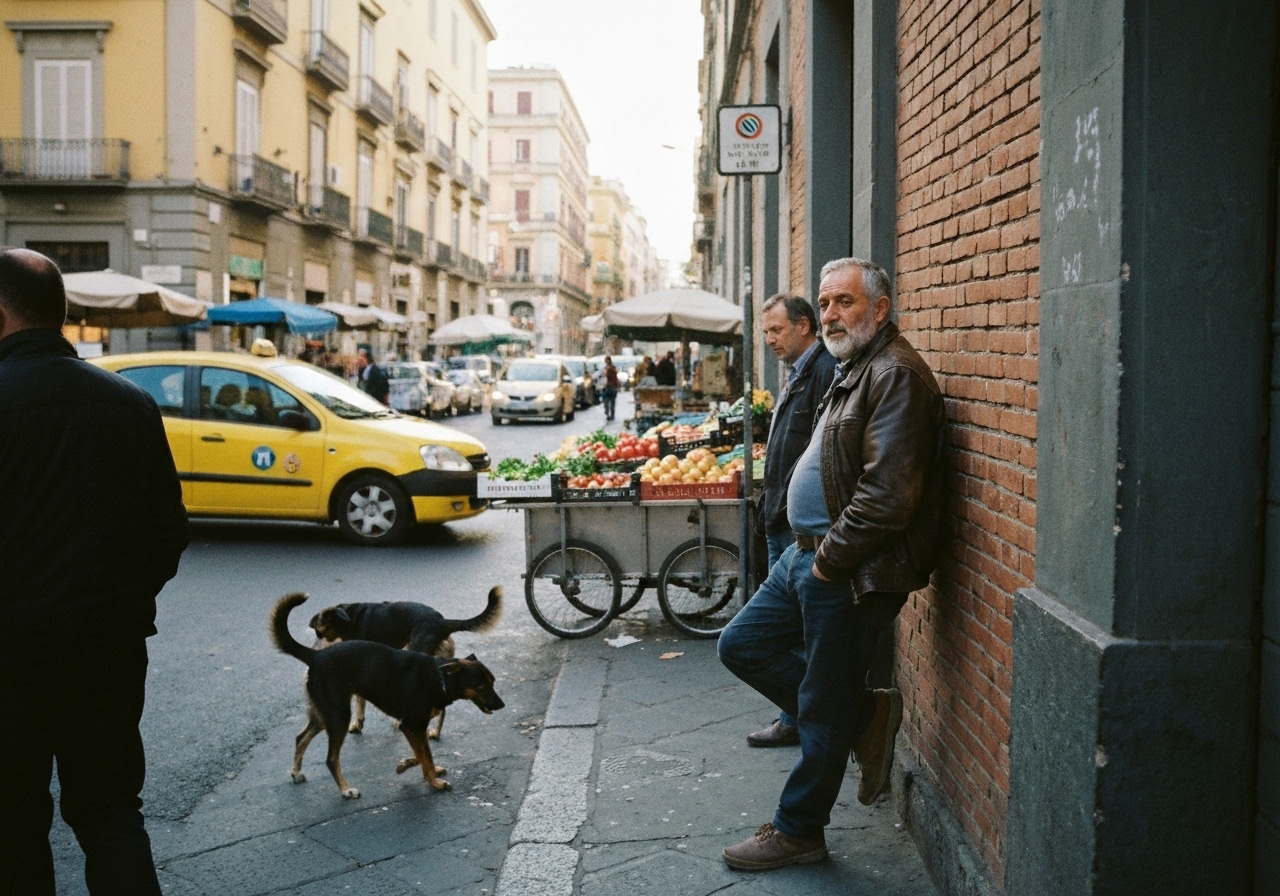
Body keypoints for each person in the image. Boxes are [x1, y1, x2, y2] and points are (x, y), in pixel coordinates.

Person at [717, 257, 945, 871]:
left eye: (846, 301)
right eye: (826, 303)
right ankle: (863, 712)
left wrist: (829, 563)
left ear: (880, 307)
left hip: (843, 570)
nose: (834, 314)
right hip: (806, 555)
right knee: (739, 645)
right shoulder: (854, 368)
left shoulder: (896, 374)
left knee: (820, 701)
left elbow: (889, 495)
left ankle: (799, 830)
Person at [0, 248, 189, 895]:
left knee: (13, 823)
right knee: (110, 812)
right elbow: (168, 531)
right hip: (108, 649)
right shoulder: (129, 402)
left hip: (10, 659)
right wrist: (123, 597)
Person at [744, 293, 840, 750]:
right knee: (790, 627)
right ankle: (800, 712)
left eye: (776, 330)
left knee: (796, 629)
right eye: (765, 332)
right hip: (780, 515)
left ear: (805, 326)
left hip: (799, 527)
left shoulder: (823, 370)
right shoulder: (799, 372)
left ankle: (813, 714)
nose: (769, 340)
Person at [601, 355, 620, 422]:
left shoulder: (609, 369)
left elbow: (608, 378)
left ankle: (609, 414)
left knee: (608, 401)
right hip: (612, 387)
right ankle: (611, 414)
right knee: (611, 402)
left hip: (609, 387)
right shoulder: (612, 368)